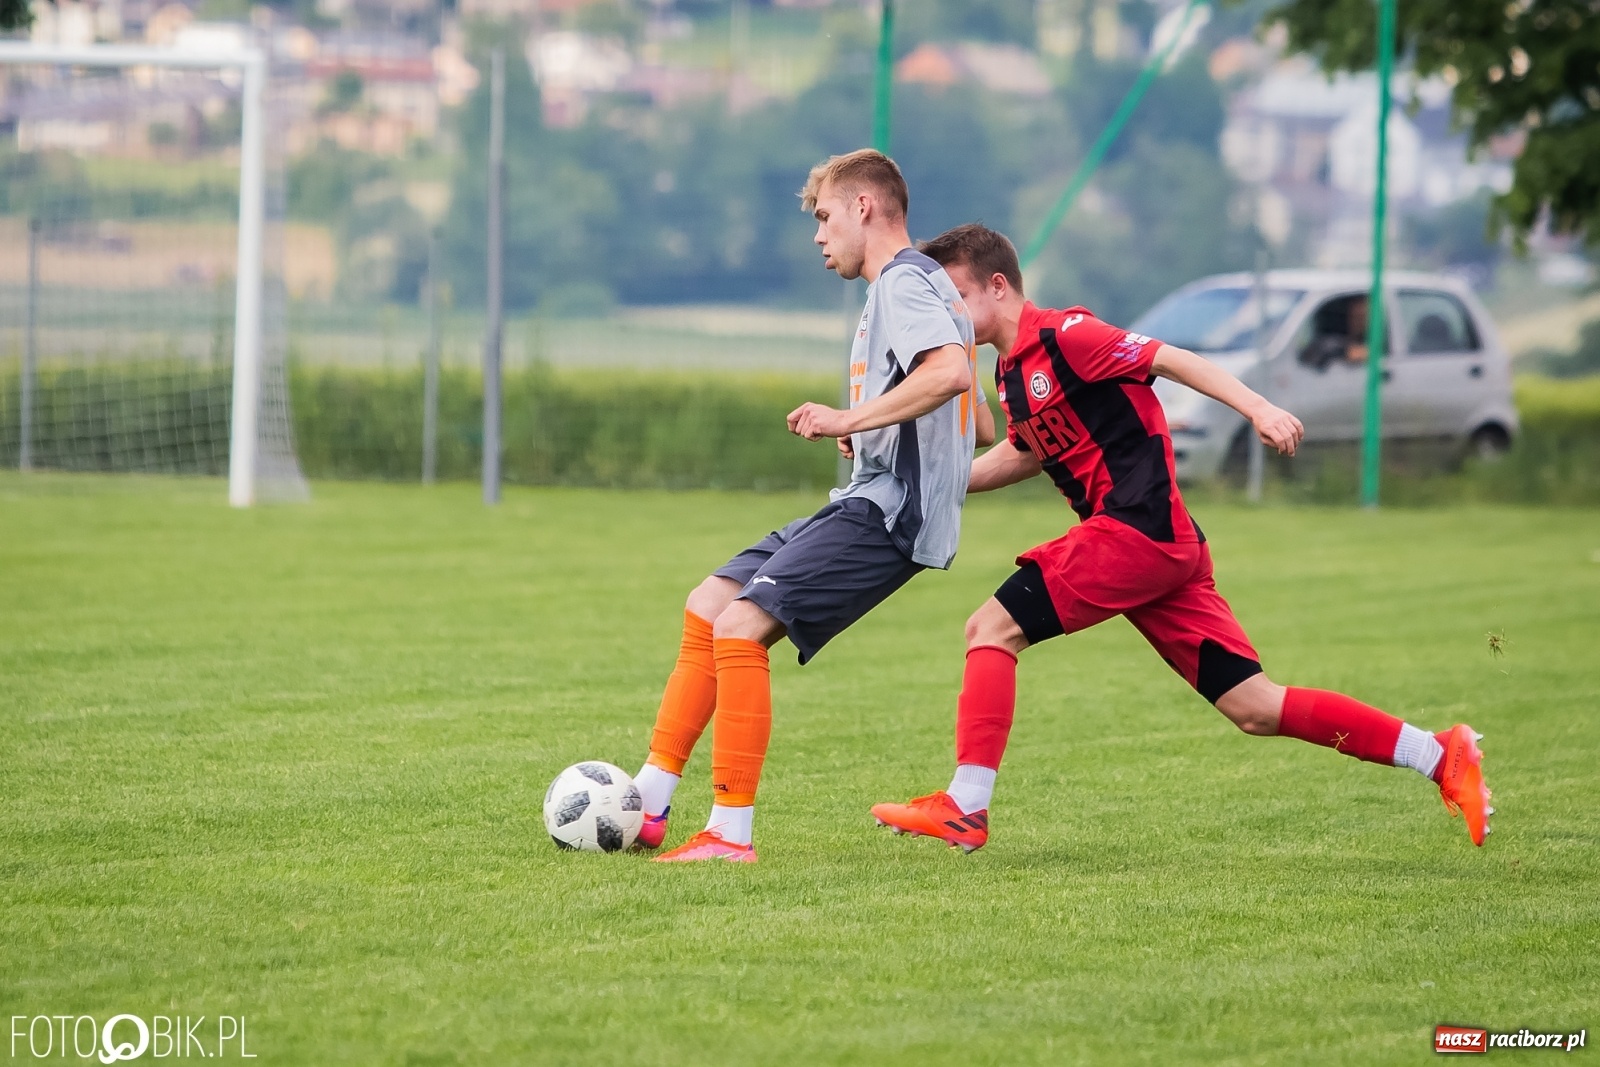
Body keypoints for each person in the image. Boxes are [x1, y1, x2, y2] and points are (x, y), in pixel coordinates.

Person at [870, 224, 1492, 853]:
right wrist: (925, 479)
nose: (949, 313)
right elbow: (1025, 453)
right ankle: (1438, 754)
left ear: (998, 286)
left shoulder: (1067, 335)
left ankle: (966, 805)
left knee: (991, 628)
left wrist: (1258, 408)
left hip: (1135, 530)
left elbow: (1171, 358)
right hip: (1162, 546)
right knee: (1256, 707)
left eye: (956, 296)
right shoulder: (1010, 373)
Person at [634, 150, 994, 863]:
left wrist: (849, 419)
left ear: (865, 206)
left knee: (740, 628)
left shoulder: (903, 281)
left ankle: (729, 833)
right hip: (868, 494)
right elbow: (979, 424)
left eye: (826, 217)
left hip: (890, 512)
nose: (819, 235)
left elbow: (951, 374)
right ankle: (649, 798)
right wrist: (879, 427)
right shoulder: (922, 287)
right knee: (710, 602)